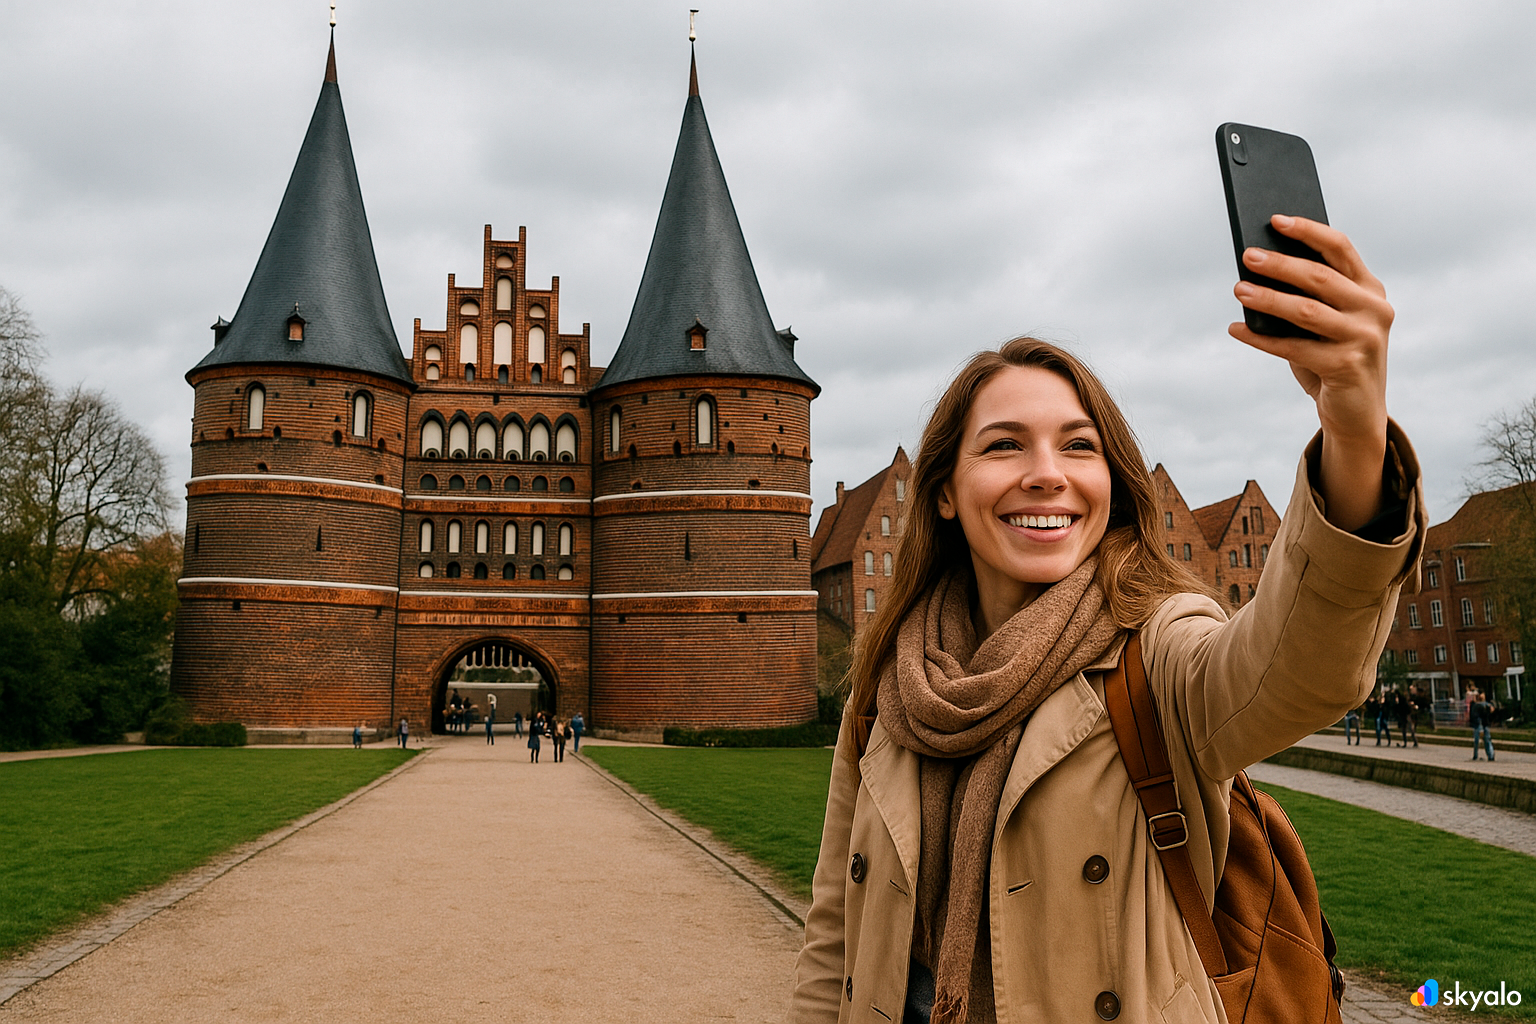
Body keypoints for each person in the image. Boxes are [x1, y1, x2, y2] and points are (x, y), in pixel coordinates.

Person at [788, 216, 1423, 1024]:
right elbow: (833, 937)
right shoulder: (891, 686)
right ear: (944, 493)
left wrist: (1354, 429)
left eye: (1078, 447)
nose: (1046, 474)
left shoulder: (1156, 652)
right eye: (1005, 446)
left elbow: (1297, 666)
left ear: (1113, 486)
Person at [1470, 688, 1495, 761]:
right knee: (1479, 741)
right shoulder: (1476, 705)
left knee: (1486, 740)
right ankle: (1477, 755)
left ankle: (1490, 755)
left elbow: (1489, 713)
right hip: (1479, 725)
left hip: (1484, 725)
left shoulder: (1486, 705)